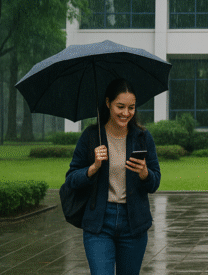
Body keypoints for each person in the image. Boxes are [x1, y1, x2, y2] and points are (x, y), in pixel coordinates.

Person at [65, 78, 161, 275]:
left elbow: (154, 182)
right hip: (99, 223)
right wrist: (92, 168)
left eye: (131, 107)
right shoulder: (92, 136)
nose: (126, 113)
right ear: (108, 103)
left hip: (133, 224)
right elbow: (71, 179)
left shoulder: (142, 137)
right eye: (120, 106)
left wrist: (145, 174)